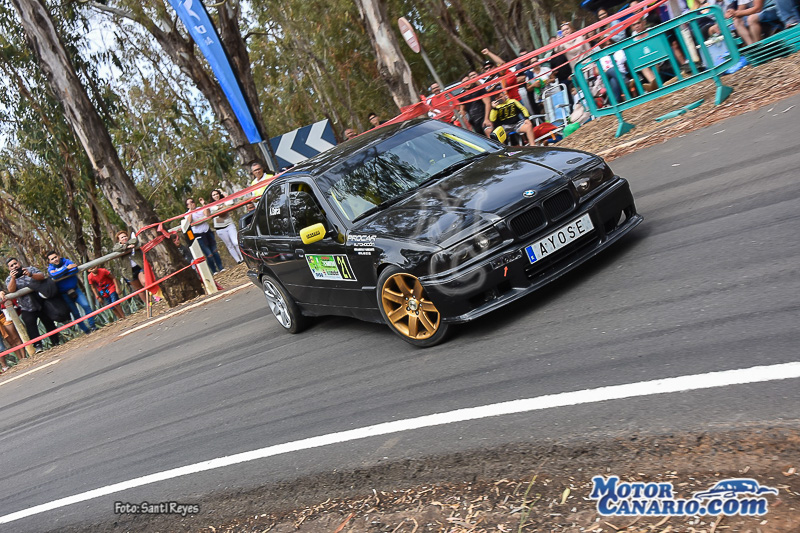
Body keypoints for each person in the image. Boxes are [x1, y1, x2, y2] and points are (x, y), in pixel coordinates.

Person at [2, 258, 62, 353]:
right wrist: (13, 278)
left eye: (15, 263)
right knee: (30, 325)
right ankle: (38, 346)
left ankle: (56, 342)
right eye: (11, 266)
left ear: (19, 262)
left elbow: (42, 276)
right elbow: (11, 290)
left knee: (48, 322)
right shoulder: (9, 279)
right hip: (26, 306)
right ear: (9, 268)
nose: (14, 266)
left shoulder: (30, 269)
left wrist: (30, 274)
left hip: (41, 301)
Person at [46, 251, 96, 334]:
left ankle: (93, 326)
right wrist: (66, 269)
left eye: (55, 257)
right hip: (64, 294)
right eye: (52, 259)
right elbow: (54, 275)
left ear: (59, 256)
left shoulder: (66, 261)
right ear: (49, 261)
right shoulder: (51, 268)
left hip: (75, 289)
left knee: (86, 305)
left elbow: (74, 269)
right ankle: (86, 331)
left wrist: (60, 273)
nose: (55, 260)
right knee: (75, 313)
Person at [185, 197, 224, 274]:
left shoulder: (200, 209)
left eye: (193, 202)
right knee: (209, 254)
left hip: (207, 232)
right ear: (187, 206)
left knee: (215, 251)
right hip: (199, 235)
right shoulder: (187, 214)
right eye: (190, 203)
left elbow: (207, 214)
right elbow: (189, 221)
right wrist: (191, 211)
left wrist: (204, 204)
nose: (192, 204)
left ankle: (221, 268)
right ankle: (214, 271)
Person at [113, 230, 148, 304]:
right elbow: (116, 248)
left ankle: (154, 298)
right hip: (128, 271)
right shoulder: (118, 247)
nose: (124, 238)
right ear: (119, 240)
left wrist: (129, 245)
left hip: (139, 266)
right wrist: (126, 246)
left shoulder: (132, 241)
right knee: (139, 289)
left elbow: (135, 240)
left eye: (125, 236)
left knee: (145, 282)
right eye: (122, 237)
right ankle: (147, 304)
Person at [209, 189, 243, 264]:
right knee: (229, 245)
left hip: (229, 224)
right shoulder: (211, 205)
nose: (216, 196)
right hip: (220, 228)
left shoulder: (224, 200)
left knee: (236, 242)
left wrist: (223, 193)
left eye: (217, 194)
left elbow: (230, 202)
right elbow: (214, 209)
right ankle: (238, 260)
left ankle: (243, 257)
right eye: (214, 195)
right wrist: (221, 207)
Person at [459, 71, 493, 137]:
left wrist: (486, 119)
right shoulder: (462, 96)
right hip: (474, 123)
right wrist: (467, 125)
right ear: (462, 85)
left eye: (467, 81)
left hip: (484, 117)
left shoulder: (479, 89)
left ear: (471, 80)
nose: (466, 83)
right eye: (464, 82)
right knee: (481, 139)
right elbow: (462, 111)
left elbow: (488, 103)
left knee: (489, 133)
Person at [0, 298, 25, 371]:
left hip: (4, 315)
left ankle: (24, 358)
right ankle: (20, 359)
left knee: (15, 337)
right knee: (10, 341)